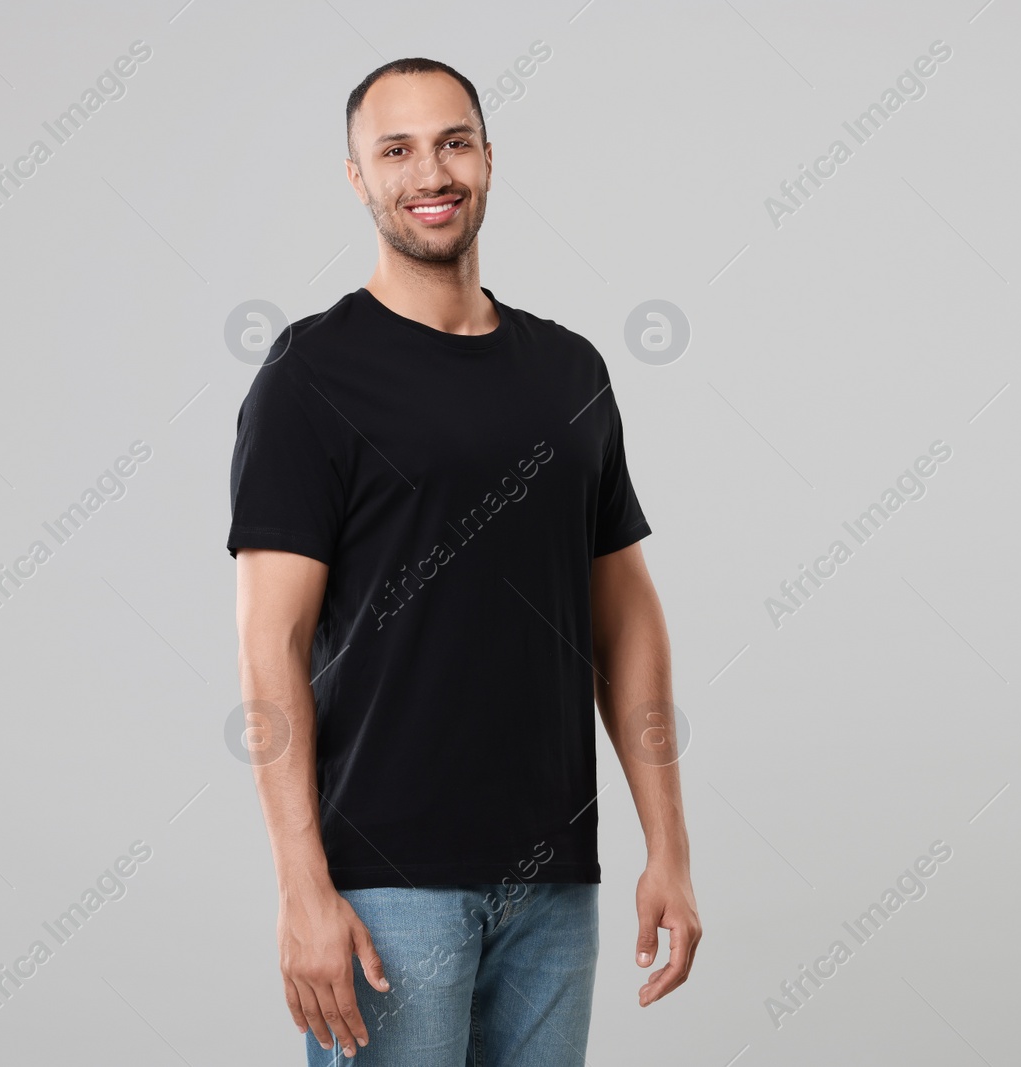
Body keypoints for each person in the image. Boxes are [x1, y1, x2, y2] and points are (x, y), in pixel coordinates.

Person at [226, 56, 700, 1064]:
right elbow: (270, 643)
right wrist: (302, 886)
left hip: (554, 884)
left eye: (452, 142)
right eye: (394, 150)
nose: (428, 171)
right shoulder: (312, 373)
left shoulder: (570, 370)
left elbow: (627, 616)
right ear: (357, 178)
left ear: (487, 158)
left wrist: (670, 845)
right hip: (388, 886)